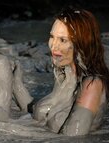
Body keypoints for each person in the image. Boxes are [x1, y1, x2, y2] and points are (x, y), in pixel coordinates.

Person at [33, 7, 109, 136]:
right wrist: (15, 82)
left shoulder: (92, 85)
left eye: (63, 40)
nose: (53, 46)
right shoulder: (65, 74)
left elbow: (74, 138)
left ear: (82, 43)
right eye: (52, 37)